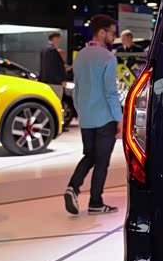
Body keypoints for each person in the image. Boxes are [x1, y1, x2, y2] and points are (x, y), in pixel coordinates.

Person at [64, 15, 121, 215]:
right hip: (105, 118)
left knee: (89, 156)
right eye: (112, 33)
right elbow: (110, 93)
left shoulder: (80, 56)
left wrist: (81, 112)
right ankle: (96, 203)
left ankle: (73, 187)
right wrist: (119, 119)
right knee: (102, 161)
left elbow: (77, 90)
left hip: (86, 117)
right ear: (102, 32)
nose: (113, 37)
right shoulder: (108, 58)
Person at [39, 32, 67, 99]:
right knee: (56, 100)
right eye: (59, 39)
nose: (59, 41)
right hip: (55, 82)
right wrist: (63, 80)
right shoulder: (53, 50)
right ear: (55, 38)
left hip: (45, 81)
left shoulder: (44, 49)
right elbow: (58, 66)